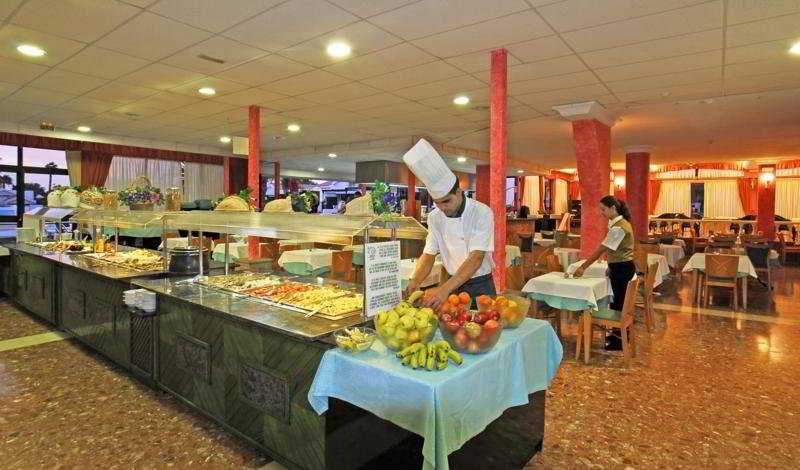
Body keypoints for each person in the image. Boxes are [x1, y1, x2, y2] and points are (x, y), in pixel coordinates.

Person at [402, 139, 495, 309]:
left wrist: (443, 290)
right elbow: (428, 255)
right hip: (452, 286)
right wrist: (414, 282)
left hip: (480, 286)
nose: (442, 208)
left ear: (459, 192)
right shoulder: (434, 217)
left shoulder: (482, 212)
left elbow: (476, 259)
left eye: (446, 202)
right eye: (437, 203)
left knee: (484, 332)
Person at [573, 195, 635, 350]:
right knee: (617, 302)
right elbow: (616, 249)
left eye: (603, 209)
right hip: (621, 266)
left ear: (613, 208)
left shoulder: (619, 227)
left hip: (622, 268)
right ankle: (618, 338)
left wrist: (583, 267)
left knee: (619, 304)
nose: (601, 213)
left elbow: (602, 248)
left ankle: (619, 341)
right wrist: (610, 265)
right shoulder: (619, 224)